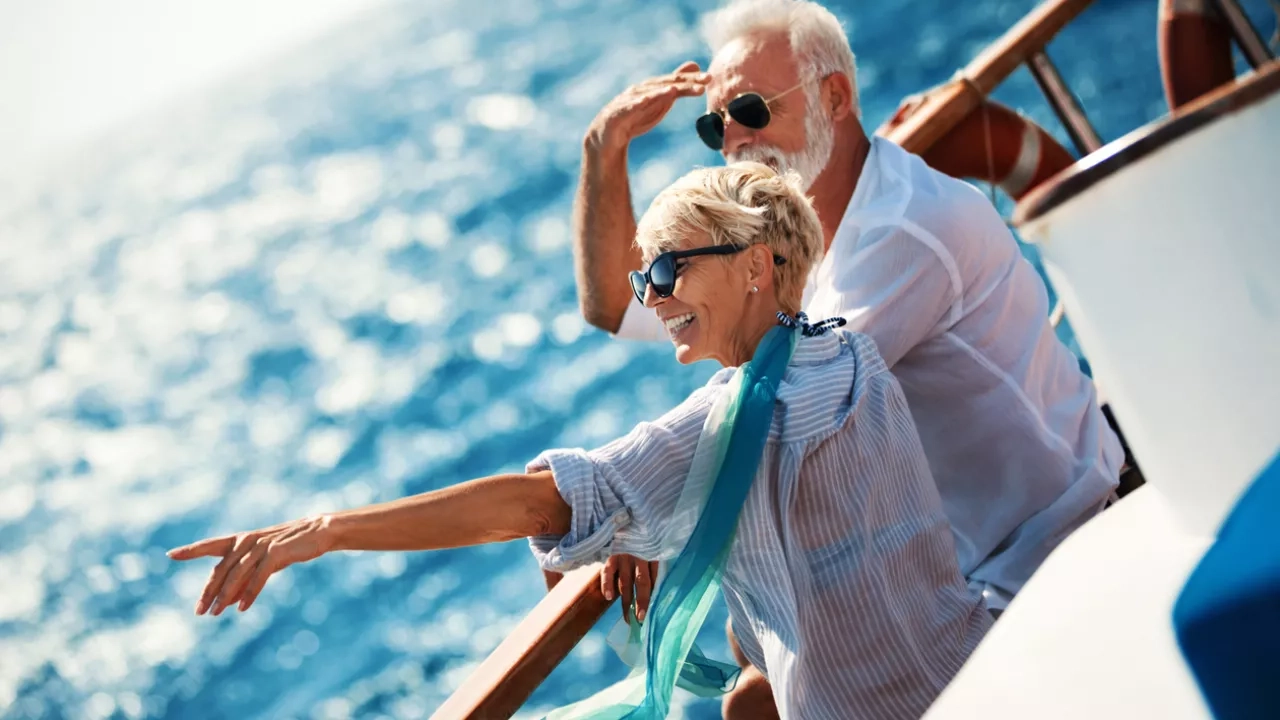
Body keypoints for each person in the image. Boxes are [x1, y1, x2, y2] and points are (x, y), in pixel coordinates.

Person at [170, 163, 991, 718]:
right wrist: (649, 522)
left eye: (667, 272)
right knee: (746, 696)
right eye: (644, 278)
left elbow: (535, 503)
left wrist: (328, 531)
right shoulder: (850, 352)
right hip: (980, 668)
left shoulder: (729, 422)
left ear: (754, 266)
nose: (652, 296)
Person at [573, 0, 1123, 628]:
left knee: (759, 681)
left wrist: (624, 507)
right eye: (714, 127)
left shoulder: (903, 230)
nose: (733, 141)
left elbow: (787, 409)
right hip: (974, 563)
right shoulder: (777, 243)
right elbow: (614, 304)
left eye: (751, 111)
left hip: (1056, 544)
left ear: (833, 97)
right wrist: (603, 147)